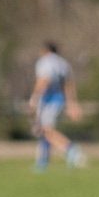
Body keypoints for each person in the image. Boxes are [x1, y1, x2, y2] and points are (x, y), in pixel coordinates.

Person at [29, 40, 84, 171]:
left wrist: (34, 97)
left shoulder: (45, 61)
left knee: (46, 129)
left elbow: (44, 80)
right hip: (60, 98)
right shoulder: (63, 63)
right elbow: (69, 84)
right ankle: (43, 161)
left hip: (48, 100)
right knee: (44, 129)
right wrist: (72, 103)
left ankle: (71, 149)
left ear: (45, 50)